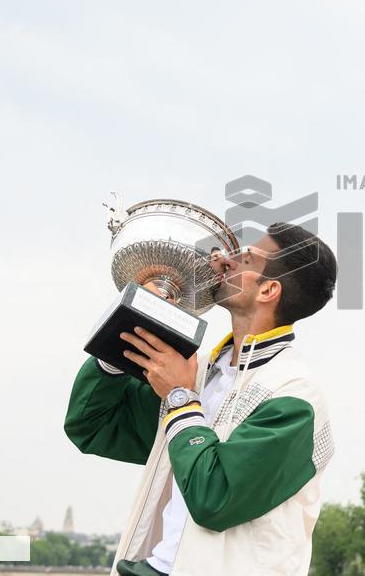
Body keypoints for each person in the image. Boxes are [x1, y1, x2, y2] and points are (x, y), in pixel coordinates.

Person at [64, 222, 338, 575]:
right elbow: (93, 426)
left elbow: (215, 499)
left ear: (268, 289)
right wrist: (131, 332)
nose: (225, 259)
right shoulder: (198, 372)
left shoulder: (293, 394)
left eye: (246, 258)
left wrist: (179, 398)